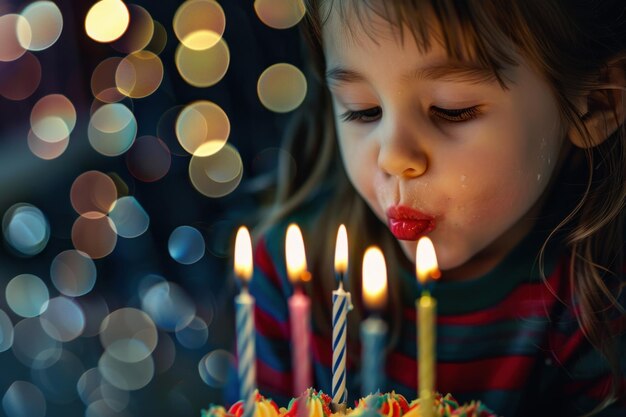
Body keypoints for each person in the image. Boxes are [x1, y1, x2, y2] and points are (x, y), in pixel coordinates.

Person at [231, 1, 626, 416]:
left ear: (596, 103)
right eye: (363, 110)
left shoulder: (601, 304)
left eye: (451, 110)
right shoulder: (293, 277)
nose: (393, 157)